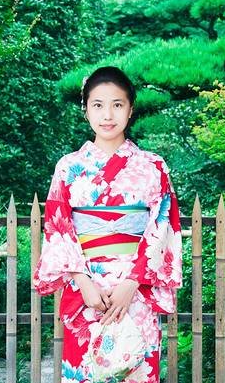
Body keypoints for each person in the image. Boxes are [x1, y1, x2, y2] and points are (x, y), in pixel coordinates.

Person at [33, 66, 182, 382]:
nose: (108, 115)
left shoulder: (153, 166)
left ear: (131, 109)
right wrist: (83, 281)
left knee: (137, 368)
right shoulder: (69, 167)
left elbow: (162, 226)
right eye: (98, 105)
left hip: (135, 292)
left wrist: (132, 283)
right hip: (87, 292)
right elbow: (59, 227)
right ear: (85, 109)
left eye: (117, 104)